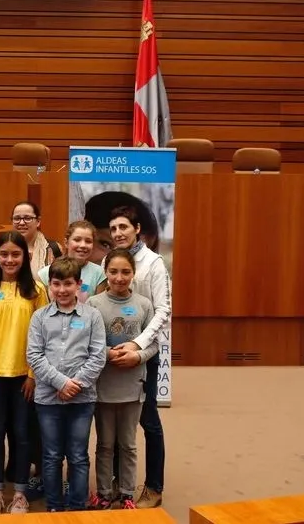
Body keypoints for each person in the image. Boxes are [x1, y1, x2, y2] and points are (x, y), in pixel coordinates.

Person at [0, 231, 49, 514]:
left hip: (24, 376)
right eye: (3, 254)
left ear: (25, 257)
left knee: (22, 433)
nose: (9, 259)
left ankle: (19, 492)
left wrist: (32, 373)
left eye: (15, 254)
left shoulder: (37, 291)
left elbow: (43, 335)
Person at [26, 257, 106, 512]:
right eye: (56, 284)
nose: (62, 290)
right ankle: (54, 507)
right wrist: (61, 383)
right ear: (49, 286)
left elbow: (98, 356)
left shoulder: (92, 316)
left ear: (79, 285)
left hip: (82, 400)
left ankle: (77, 506)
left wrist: (75, 385)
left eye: (68, 284)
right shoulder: (39, 317)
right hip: (48, 399)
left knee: (78, 456)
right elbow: (34, 356)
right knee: (51, 456)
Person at [105, 206, 170, 508]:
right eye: (113, 228)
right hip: (113, 358)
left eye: (123, 227)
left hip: (143, 355)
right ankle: (121, 484)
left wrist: (137, 345)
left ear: (137, 229)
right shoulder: (110, 260)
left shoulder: (153, 263)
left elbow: (163, 311)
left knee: (148, 420)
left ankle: (154, 487)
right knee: (118, 421)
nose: (118, 233)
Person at [87, 249, 156, 510]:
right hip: (104, 386)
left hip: (133, 387)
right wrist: (108, 353)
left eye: (125, 271)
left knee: (128, 444)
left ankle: (127, 493)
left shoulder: (144, 305)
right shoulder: (94, 304)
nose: (119, 277)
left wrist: (137, 356)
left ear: (133, 273)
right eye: (113, 271)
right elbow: (89, 343)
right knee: (105, 444)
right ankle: (105, 492)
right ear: (105, 272)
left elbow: (153, 344)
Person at [37, 220, 106, 304]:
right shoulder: (45, 273)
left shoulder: (99, 273)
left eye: (88, 241)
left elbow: (99, 306)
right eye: (77, 240)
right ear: (66, 242)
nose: (83, 245)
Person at [0, 201, 61, 278]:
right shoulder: (3, 248)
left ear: (38, 221)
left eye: (27, 218)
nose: (21, 223)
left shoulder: (53, 248)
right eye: (17, 218)